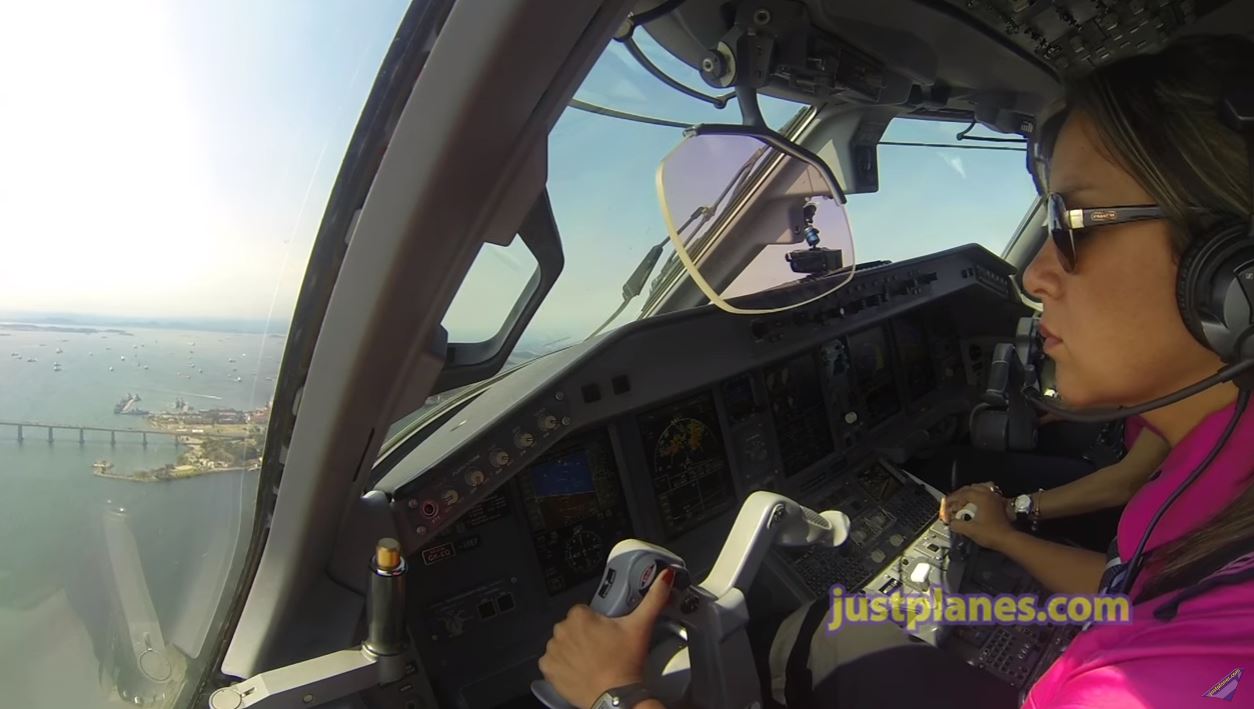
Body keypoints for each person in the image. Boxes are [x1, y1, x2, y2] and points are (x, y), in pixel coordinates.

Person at [539, 35, 1254, 708]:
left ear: (1230, 274)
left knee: (820, 636)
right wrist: (1006, 536)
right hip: (1089, 635)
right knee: (838, 628)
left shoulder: (1168, 684)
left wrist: (617, 692)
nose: (1035, 274)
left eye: (1072, 222)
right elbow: (1130, 594)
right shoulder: (1222, 469)